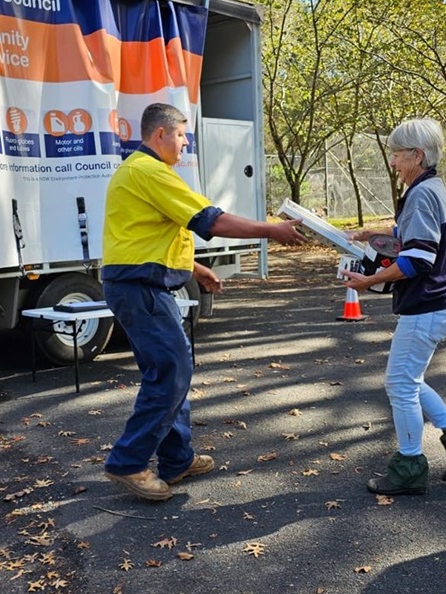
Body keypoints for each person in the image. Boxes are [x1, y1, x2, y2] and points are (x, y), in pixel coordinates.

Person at [101, 103, 307, 501]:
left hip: (144, 286)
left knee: (170, 372)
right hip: (140, 288)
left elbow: (149, 236)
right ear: (160, 134)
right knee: (172, 371)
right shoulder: (149, 171)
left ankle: (177, 460)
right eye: (181, 135)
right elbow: (211, 220)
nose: (185, 143)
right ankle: (128, 462)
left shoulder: (143, 172)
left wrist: (195, 269)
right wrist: (272, 230)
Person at [341, 117, 446, 496]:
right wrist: (372, 233)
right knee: (411, 380)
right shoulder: (431, 188)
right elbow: (413, 234)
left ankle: (408, 467)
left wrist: (368, 281)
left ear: (417, 155)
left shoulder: (421, 193)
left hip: (427, 306)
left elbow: (417, 259)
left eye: (397, 155)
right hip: (437, 304)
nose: (393, 162)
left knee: (399, 384)